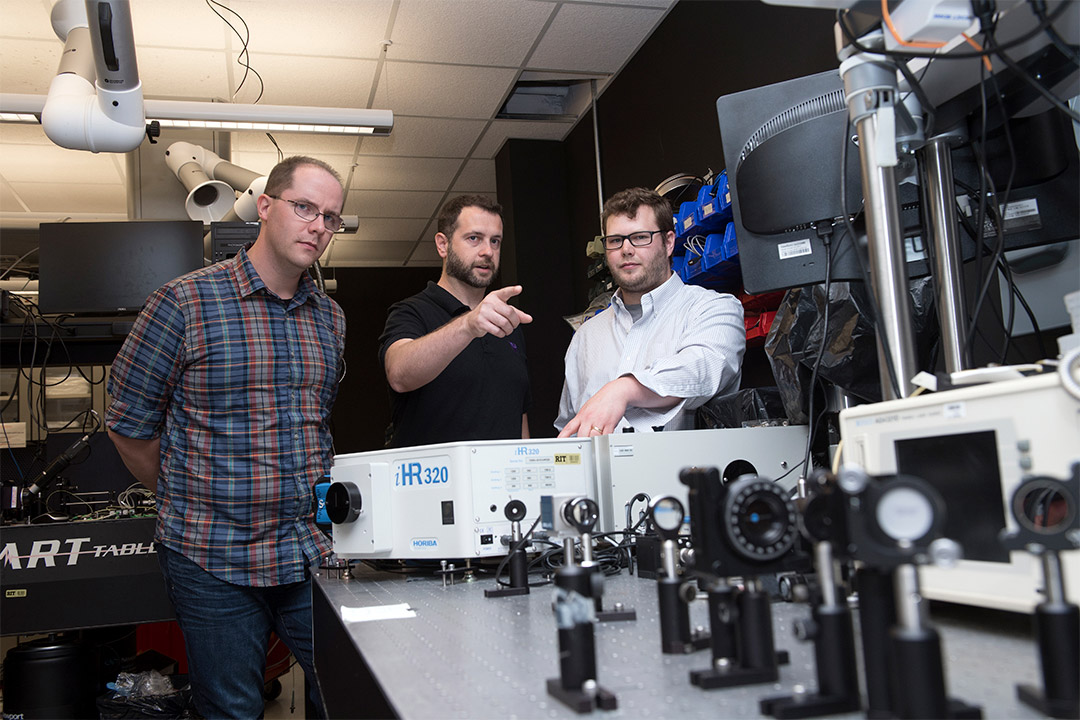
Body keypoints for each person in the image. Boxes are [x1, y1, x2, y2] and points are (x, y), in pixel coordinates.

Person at [106, 156, 345, 718]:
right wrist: (189, 494)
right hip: (212, 555)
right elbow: (129, 424)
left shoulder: (330, 318)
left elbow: (315, 424)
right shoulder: (184, 303)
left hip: (307, 550)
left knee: (345, 686)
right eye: (304, 207)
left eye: (330, 217)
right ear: (265, 207)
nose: (317, 225)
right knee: (232, 709)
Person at [556, 187, 745, 438]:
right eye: (615, 240)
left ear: (668, 242)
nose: (626, 249)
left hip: (683, 475)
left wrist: (624, 389)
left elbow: (704, 368)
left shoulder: (713, 309)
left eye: (640, 237)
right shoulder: (586, 337)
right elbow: (568, 427)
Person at [379, 194, 533, 447]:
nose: (488, 251)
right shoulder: (411, 312)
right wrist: (468, 324)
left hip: (502, 483)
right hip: (434, 483)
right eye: (474, 238)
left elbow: (520, 417)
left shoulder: (507, 323)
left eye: (495, 241)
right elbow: (399, 374)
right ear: (443, 245)